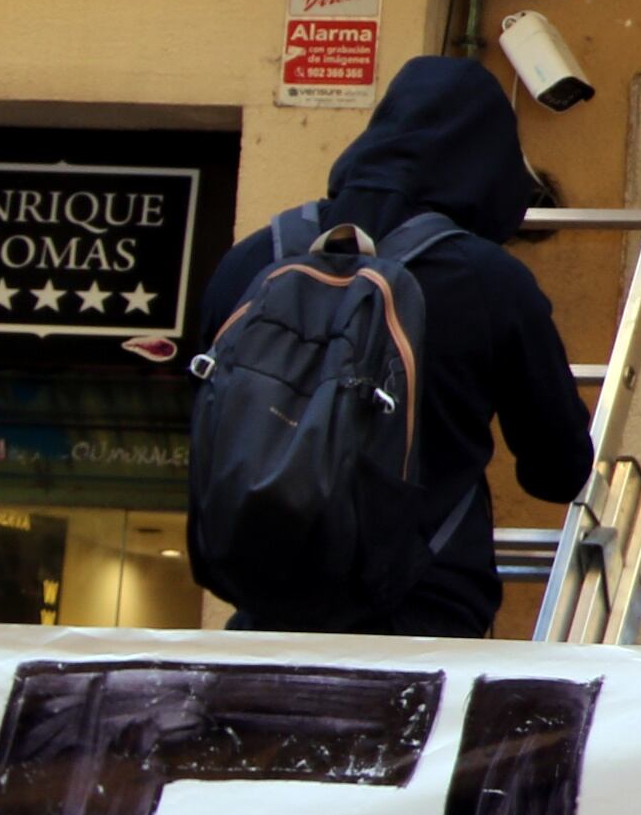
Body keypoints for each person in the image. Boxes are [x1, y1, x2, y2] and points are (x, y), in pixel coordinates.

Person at [190, 56, 593, 636]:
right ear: (489, 161)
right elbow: (557, 473)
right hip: (422, 616)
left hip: (267, 614)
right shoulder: (488, 280)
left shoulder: (258, 257)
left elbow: (208, 421)